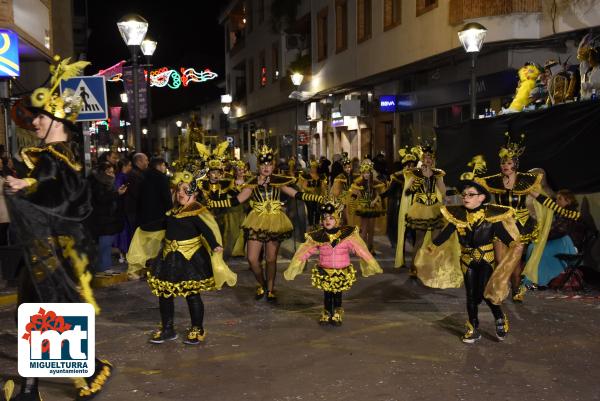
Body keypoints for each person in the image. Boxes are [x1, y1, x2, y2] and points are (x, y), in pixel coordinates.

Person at [4, 56, 112, 400]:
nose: (34, 123)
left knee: (43, 315)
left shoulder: (57, 158)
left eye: (40, 117)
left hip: (54, 254)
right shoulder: (58, 155)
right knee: (36, 315)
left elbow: (61, 193)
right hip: (47, 253)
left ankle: (84, 371)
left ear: (55, 119)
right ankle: (33, 387)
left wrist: (28, 188)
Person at [128, 171, 236, 345]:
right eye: (179, 190)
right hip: (169, 259)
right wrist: (143, 228)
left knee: (192, 294)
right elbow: (162, 225)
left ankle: (197, 328)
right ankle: (168, 328)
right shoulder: (173, 212)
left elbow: (206, 230)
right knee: (164, 294)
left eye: (185, 191)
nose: (180, 194)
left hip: (190, 259)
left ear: (195, 194)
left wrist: (215, 244)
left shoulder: (196, 212)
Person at [210, 144, 323, 301]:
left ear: (274, 165)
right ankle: (261, 283)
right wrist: (214, 203)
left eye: (269, 164)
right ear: (258, 165)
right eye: (263, 164)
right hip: (256, 221)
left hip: (275, 222)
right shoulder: (252, 182)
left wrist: (316, 198)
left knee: (271, 259)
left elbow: (296, 194)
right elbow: (237, 200)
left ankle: (270, 289)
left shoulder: (278, 181)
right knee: (252, 259)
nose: (266, 167)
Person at [415, 180, 523, 344]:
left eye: (471, 195)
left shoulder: (492, 217)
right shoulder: (458, 216)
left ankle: (500, 318)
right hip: (467, 260)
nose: (466, 197)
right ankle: (473, 326)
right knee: (471, 295)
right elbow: (446, 234)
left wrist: (514, 244)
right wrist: (432, 247)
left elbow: (504, 236)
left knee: (486, 294)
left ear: (481, 198)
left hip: (486, 259)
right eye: (464, 195)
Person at [476, 133, 580, 301]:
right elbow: (476, 193)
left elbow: (542, 199)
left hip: (519, 225)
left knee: (515, 264)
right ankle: (499, 289)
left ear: (515, 164)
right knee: (499, 259)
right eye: (503, 162)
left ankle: (516, 288)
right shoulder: (494, 181)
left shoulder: (525, 181)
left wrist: (565, 212)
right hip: (500, 223)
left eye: (509, 162)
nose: (505, 165)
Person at [284, 197, 382, 325]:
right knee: (327, 294)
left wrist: (370, 261)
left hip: (341, 271)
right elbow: (306, 250)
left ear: (337, 219)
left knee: (337, 294)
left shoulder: (346, 235)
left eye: (330, 218)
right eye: (324, 218)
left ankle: (337, 312)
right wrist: (296, 262)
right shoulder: (319, 236)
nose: (327, 221)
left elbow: (359, 249)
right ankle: (326, 311)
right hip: (325, 270)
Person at [395, 142, 446, 277]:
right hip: (420, 209)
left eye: (430, 157)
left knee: (435, 241)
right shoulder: (416, 173)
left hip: (435, 208)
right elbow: (407, 191)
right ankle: (413, 266)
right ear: (422, 159)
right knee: (419, 240)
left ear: (433, 160)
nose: (428, 160)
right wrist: (417, 181)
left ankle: (433, 266)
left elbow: (443, 191)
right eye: (425, 157)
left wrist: (447, 203)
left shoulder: (437, 173)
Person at [524, 189, 586, 287]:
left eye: (560, 199)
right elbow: (547, 202)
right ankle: (532, 279)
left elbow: (560, 231)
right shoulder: (560, 212)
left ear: (568, 201)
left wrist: (541, 236)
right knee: (533, 246)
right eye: (556, 199)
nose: (556, 201)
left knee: (538, 249)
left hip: (567, 245)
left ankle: (539, 281)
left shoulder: (573, 214)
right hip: (559, 241)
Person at [86, 161, 127, 272]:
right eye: (109, 172)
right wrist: (116, 194)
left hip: (106, 220)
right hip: (102, 221)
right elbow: (101, 200)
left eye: (113, 172)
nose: (112, 175)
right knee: (104, 246)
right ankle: (103, 269)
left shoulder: (105, 182)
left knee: (105, 246)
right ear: (102, 172)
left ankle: (103, 268)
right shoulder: (97, 183)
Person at [381, 147, 418, 248]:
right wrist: (382, 195)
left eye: (412, 165)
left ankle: (413, 243)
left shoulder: (416, 176)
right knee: (396, 224)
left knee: (413, 227)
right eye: (408, 165)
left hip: (413, 204)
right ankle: (397, 243)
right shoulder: (398, 176)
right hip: (398, 203)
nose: (410, 167)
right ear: (404, 166)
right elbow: (391, 190)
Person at [350, 159, 387, 253]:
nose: (366, 175)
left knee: (371, 229)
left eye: (368, 173)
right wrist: (356, 197)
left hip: (373, 207)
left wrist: (374, 201)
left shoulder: (374, 182)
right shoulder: (358, 182)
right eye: (364, 173)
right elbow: (353, 196)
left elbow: (380, 193)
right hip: (363, 207)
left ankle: (371, 247)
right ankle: (362, 249)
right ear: (362, 173)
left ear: (371, 173)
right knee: (364, 228)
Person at [137, 157, 172, 229]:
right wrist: (170, 210)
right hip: (158, 214)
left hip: (145, 212)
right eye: (164, 165)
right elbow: (166, 197)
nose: (165, 167)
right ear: (159, 166)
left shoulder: (144, 175)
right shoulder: (162, 178)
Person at [298, 160, 329, 230]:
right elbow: (304, 186)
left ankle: (317, 223)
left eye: (315, 167)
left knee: (318, 210)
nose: (313, 169)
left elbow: (323, 187)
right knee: (310, 210)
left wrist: (323, 193)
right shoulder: (307, 176)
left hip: (318, 197)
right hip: (309, 197)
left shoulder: (321, 177)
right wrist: (310, 189)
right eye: (312, 167)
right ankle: (311, 224)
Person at [113, 158, 133, 263]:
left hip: (122, 208)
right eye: (129, 165)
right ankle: (123, 254)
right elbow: (119, 192)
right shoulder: (121, 178)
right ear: (124, 166)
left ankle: (123, 254)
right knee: (124, 232)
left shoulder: (121, 177)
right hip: (123, 208)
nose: (131, 167)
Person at [123, 152, 149, 230]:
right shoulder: (135, 175)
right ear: (139, 161)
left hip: (135, 209)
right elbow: (138, 193)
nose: (148, 162)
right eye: (146, 160)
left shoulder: (138, 173)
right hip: (134, 210)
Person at [330, 153, 357, 226]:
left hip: (352, 200)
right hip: (343, 201)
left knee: (351, 219)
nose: (348, 169)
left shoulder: (353, 176)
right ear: (343, 168)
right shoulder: (340, 177)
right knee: (344, 219)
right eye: (346, 167)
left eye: (349, 167)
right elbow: (336, 191)